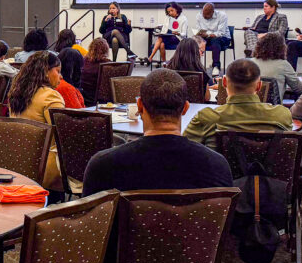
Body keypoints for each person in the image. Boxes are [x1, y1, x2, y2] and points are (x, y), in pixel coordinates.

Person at [84, 69, 233, 194]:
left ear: (140, 106)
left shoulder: (103, 166)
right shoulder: (217, 166)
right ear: (185, 108)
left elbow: (92, 225)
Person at [184, 59, 293, 147]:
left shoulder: (206, 118)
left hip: (220, 174)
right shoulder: (282, 115)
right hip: (268, 174)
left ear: (224, 82)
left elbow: (183, 149)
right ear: (259, 86)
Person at [8, 50, 65, 190]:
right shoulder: (51, 97)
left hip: (17, 160)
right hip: (45, 166)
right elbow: (62, 136)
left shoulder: (16, 93)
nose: (61, 76)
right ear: (46, 71)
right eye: (57, 71)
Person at [249, 32, 302, 100]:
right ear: (282, 48)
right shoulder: (283, 65)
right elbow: (299, 89)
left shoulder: (249, 63)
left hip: (250, 107)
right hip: (274, 108)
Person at [195, 3, 231, 76]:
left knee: (215, 39)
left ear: (213, 12)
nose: (204, 16)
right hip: (207, 38)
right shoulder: (199, 15)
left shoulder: (222, 16)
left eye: (207, 14)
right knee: (194, 40)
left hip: (223, 39)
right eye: (203, 14)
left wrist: (208, 34)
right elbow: (199, 29)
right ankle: (196, 65)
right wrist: (199, 34)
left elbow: (221, 33)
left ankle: (216, 66)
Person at [80, 37, 110, 106]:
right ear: (106, 50)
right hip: (104, 99)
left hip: (86, 96)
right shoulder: (108, 65)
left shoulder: (84, 61)